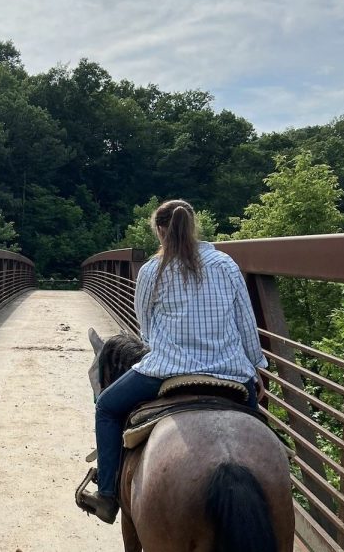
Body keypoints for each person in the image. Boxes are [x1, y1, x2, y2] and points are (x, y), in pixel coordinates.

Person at [84, 199, 268, 524]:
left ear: (159, 230)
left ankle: (108, 495)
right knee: (260, 439)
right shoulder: (225, 264)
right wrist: (256, 368)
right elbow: (245, 325)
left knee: (107, 409)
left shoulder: (152, 271)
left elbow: (148, 334)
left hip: (167, 370)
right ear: (193, 225)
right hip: (230, 372)